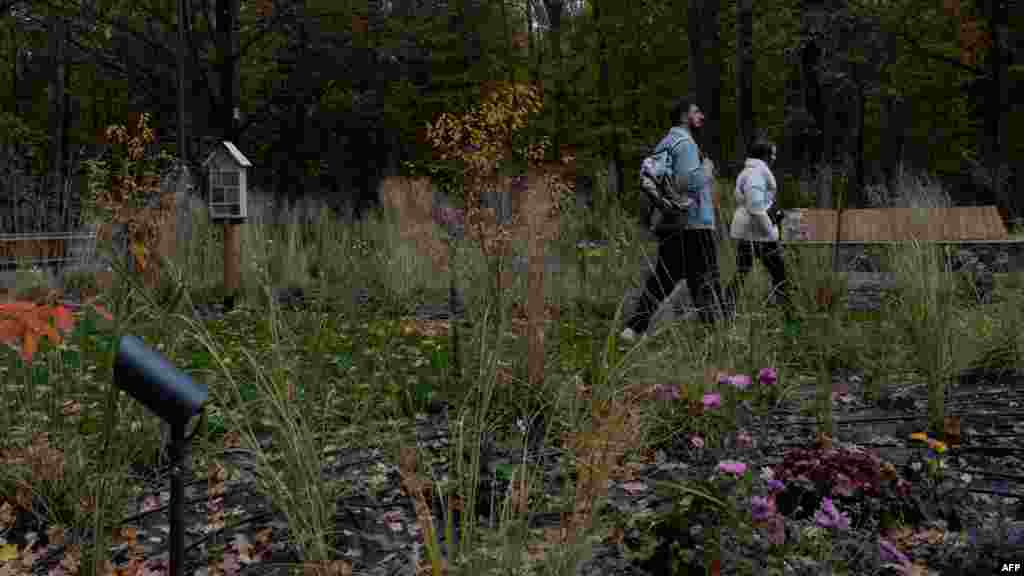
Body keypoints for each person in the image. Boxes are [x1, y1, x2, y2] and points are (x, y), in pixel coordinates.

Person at [622, 96, 727, 341]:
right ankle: (715, 339)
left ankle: (632, 330)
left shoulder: (664, 144)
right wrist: (707, 171)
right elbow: (687, 183)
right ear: (684, 117)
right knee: (706, 281)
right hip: (694, 224)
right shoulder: (686, 143)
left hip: (670, 222)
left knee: (662, 281)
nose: (701, 116)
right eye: (696, 112)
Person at [725, 137, 792, 316]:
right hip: (760, 234)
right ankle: (790, 316)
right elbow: (756, 207)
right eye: (773, 153)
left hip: (749, 232)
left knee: (741, 273)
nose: (775, 157)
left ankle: (724, 309)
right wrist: (771, 231)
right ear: (765, 155)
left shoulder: (748, 172)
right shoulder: (756, 174)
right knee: (780, 275)